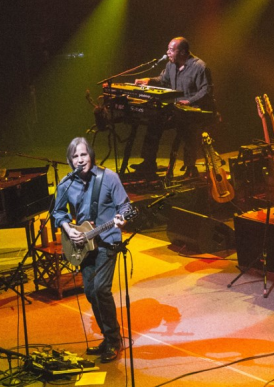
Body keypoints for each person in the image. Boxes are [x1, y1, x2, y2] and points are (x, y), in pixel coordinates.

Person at [53, 137, 131, 363]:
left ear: (91, 155)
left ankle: (115, 340)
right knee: (89, 292)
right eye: (75, 156)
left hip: (107, 241)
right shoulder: (66, 183)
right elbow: (58, 212)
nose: (80, 160)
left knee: (100, 289)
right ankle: (108, 338)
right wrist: (69, 229)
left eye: (83, 154)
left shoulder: (109, 177)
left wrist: (122, 219)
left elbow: (126, 206)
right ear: (70, 160)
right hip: (83, 244)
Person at [133, 37, 216, 178]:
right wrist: (148, 80)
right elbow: (163, 80)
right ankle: (148, 163)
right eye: (168, 49)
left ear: (183, 52)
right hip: (178, 110)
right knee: (155, 122)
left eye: (171, 49)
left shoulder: (200, 67)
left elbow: (206, 91)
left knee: (188, 128)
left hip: (197, 111)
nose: (167, 52)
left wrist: (189, 101)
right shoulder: (171, 66)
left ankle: (190, 167)